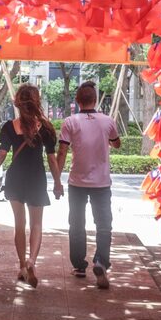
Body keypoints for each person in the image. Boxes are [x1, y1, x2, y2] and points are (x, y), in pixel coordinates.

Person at [0, 84, 63, 288]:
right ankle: (32, 261)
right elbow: (52, 159)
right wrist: (58, 184)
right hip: (36, 178)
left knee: (20, 224)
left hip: (15, 178)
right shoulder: (45, 128)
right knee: (37, 224)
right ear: (37, 102)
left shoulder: (10, 127)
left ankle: (21, 266)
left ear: (18, 102)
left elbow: (1, 155)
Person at [56, 81, 121, 289]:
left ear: (77, 100)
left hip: (77, 182)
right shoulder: (107, 121)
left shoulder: (70, 121)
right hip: (102, 183)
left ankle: (79, 266)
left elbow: (63, 152)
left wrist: (57, 180)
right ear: (95, 99)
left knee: (76, 224)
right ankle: (101, 261)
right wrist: (107, 139)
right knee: (103, 225)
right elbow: (117, 143)